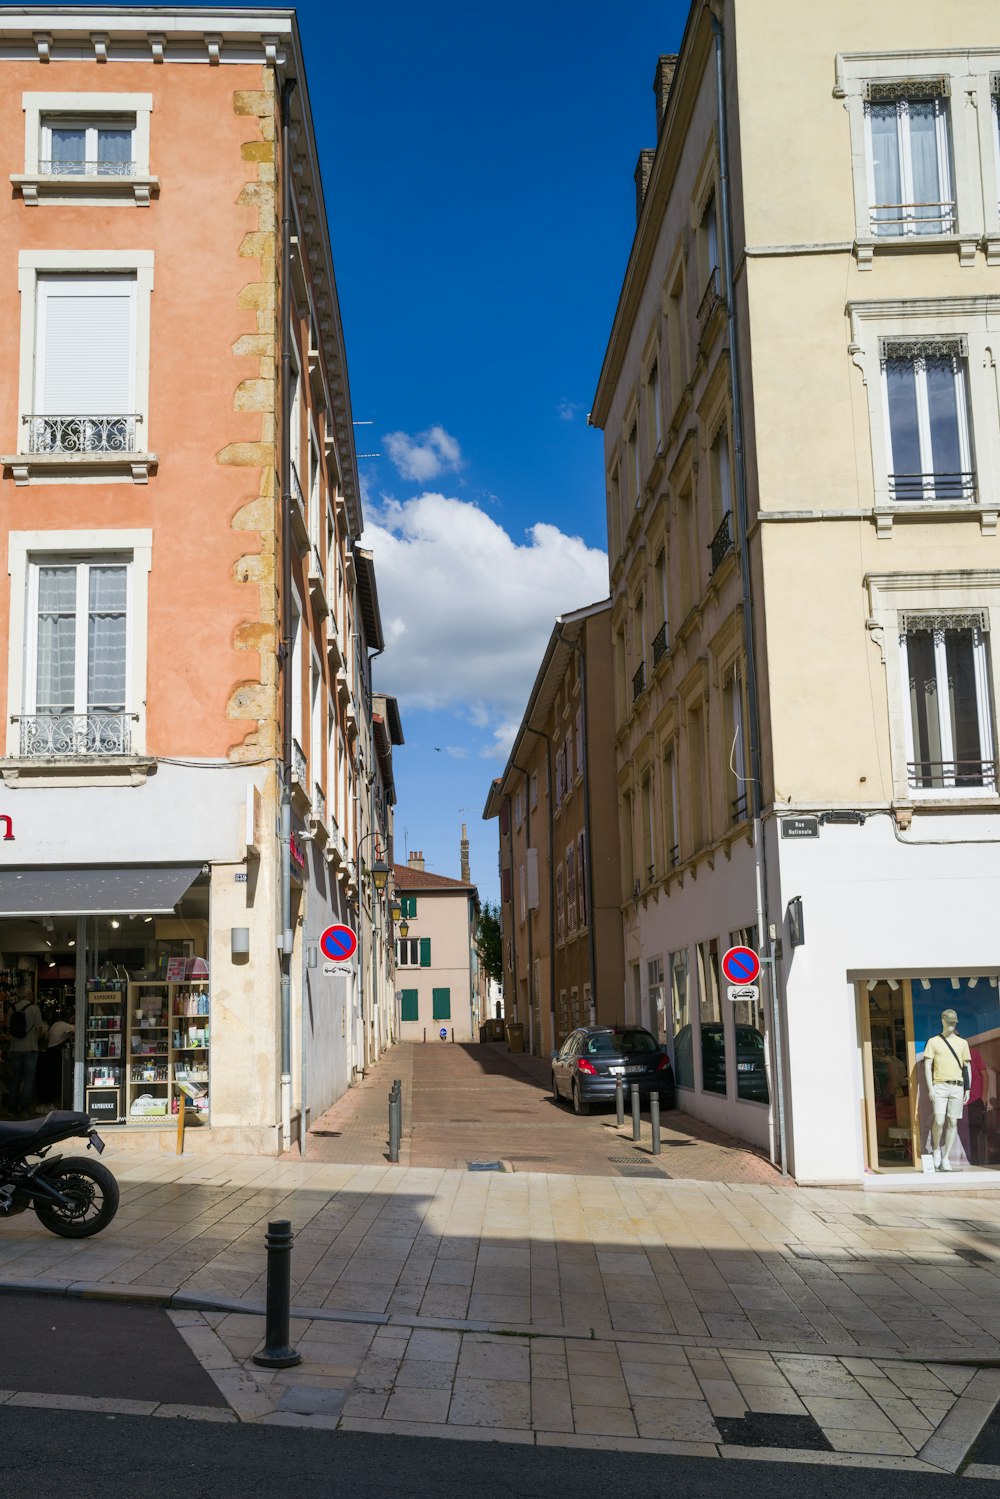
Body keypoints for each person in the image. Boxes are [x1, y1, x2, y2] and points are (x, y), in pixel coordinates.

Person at [924, 1008, 971, 1172]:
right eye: (949, 1022)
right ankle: (936, 1148)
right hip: (940, 1085)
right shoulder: (933, 1041)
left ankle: (945, 1158)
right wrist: (930, 1088)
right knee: (939, 1120)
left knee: (952, 1121)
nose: (951, 1025)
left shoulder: (962, 1043)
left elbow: (967, 1066)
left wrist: (968, 1088)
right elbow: (927, 1064)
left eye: (954, 1022)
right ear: (943, 1021)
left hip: (957, 1086)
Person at [8, 983, 47, 1117]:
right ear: (28, 994)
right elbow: (39, 1031)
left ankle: (12, 1108)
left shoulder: (11, 1009)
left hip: (15, 1048)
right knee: (29, 1079)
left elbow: (9, 1030)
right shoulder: (34, 1009)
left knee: (15, 1079)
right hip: (30, 1048)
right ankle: (24, 1108)